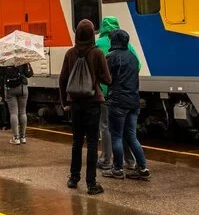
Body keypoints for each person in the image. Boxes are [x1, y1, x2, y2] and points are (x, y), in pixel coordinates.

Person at [58, 19, 112, 195]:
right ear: (91, 35)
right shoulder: (97, 53)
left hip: (75, 103)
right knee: (91, 143)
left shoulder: (70, 54)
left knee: (76, 141)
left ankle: (73, 178)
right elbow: (107, 79)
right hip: (92, 102)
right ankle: (91, 183)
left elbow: (63, 79)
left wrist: (65, 102)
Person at [103, 30, 151, 181]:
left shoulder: (111, 57)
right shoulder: (133, 58)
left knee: (116, 136)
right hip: (133, 101)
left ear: (114, 41)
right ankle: (142, 167)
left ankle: (117, 169)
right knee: (131, 135)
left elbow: (105, 78)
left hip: (118, 101)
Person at [96, 16, 138, 172]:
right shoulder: (129, 46)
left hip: (106, 93)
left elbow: (96, 69)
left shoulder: (98, 44)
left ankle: (106, 159)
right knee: (126, 129)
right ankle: (130, 161)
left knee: (106, 127)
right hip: (128, 92)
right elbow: (137, 65)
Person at [0, 62, 33, 145]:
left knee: (13, 113)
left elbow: (1, 78)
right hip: (22, 88)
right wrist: (28, 64)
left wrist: (2, 93)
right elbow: (29, 74)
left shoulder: (5, 60)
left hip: (10, 89)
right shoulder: (22, 58)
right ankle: (23, 137)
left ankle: (16, 137)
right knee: (23, 112)